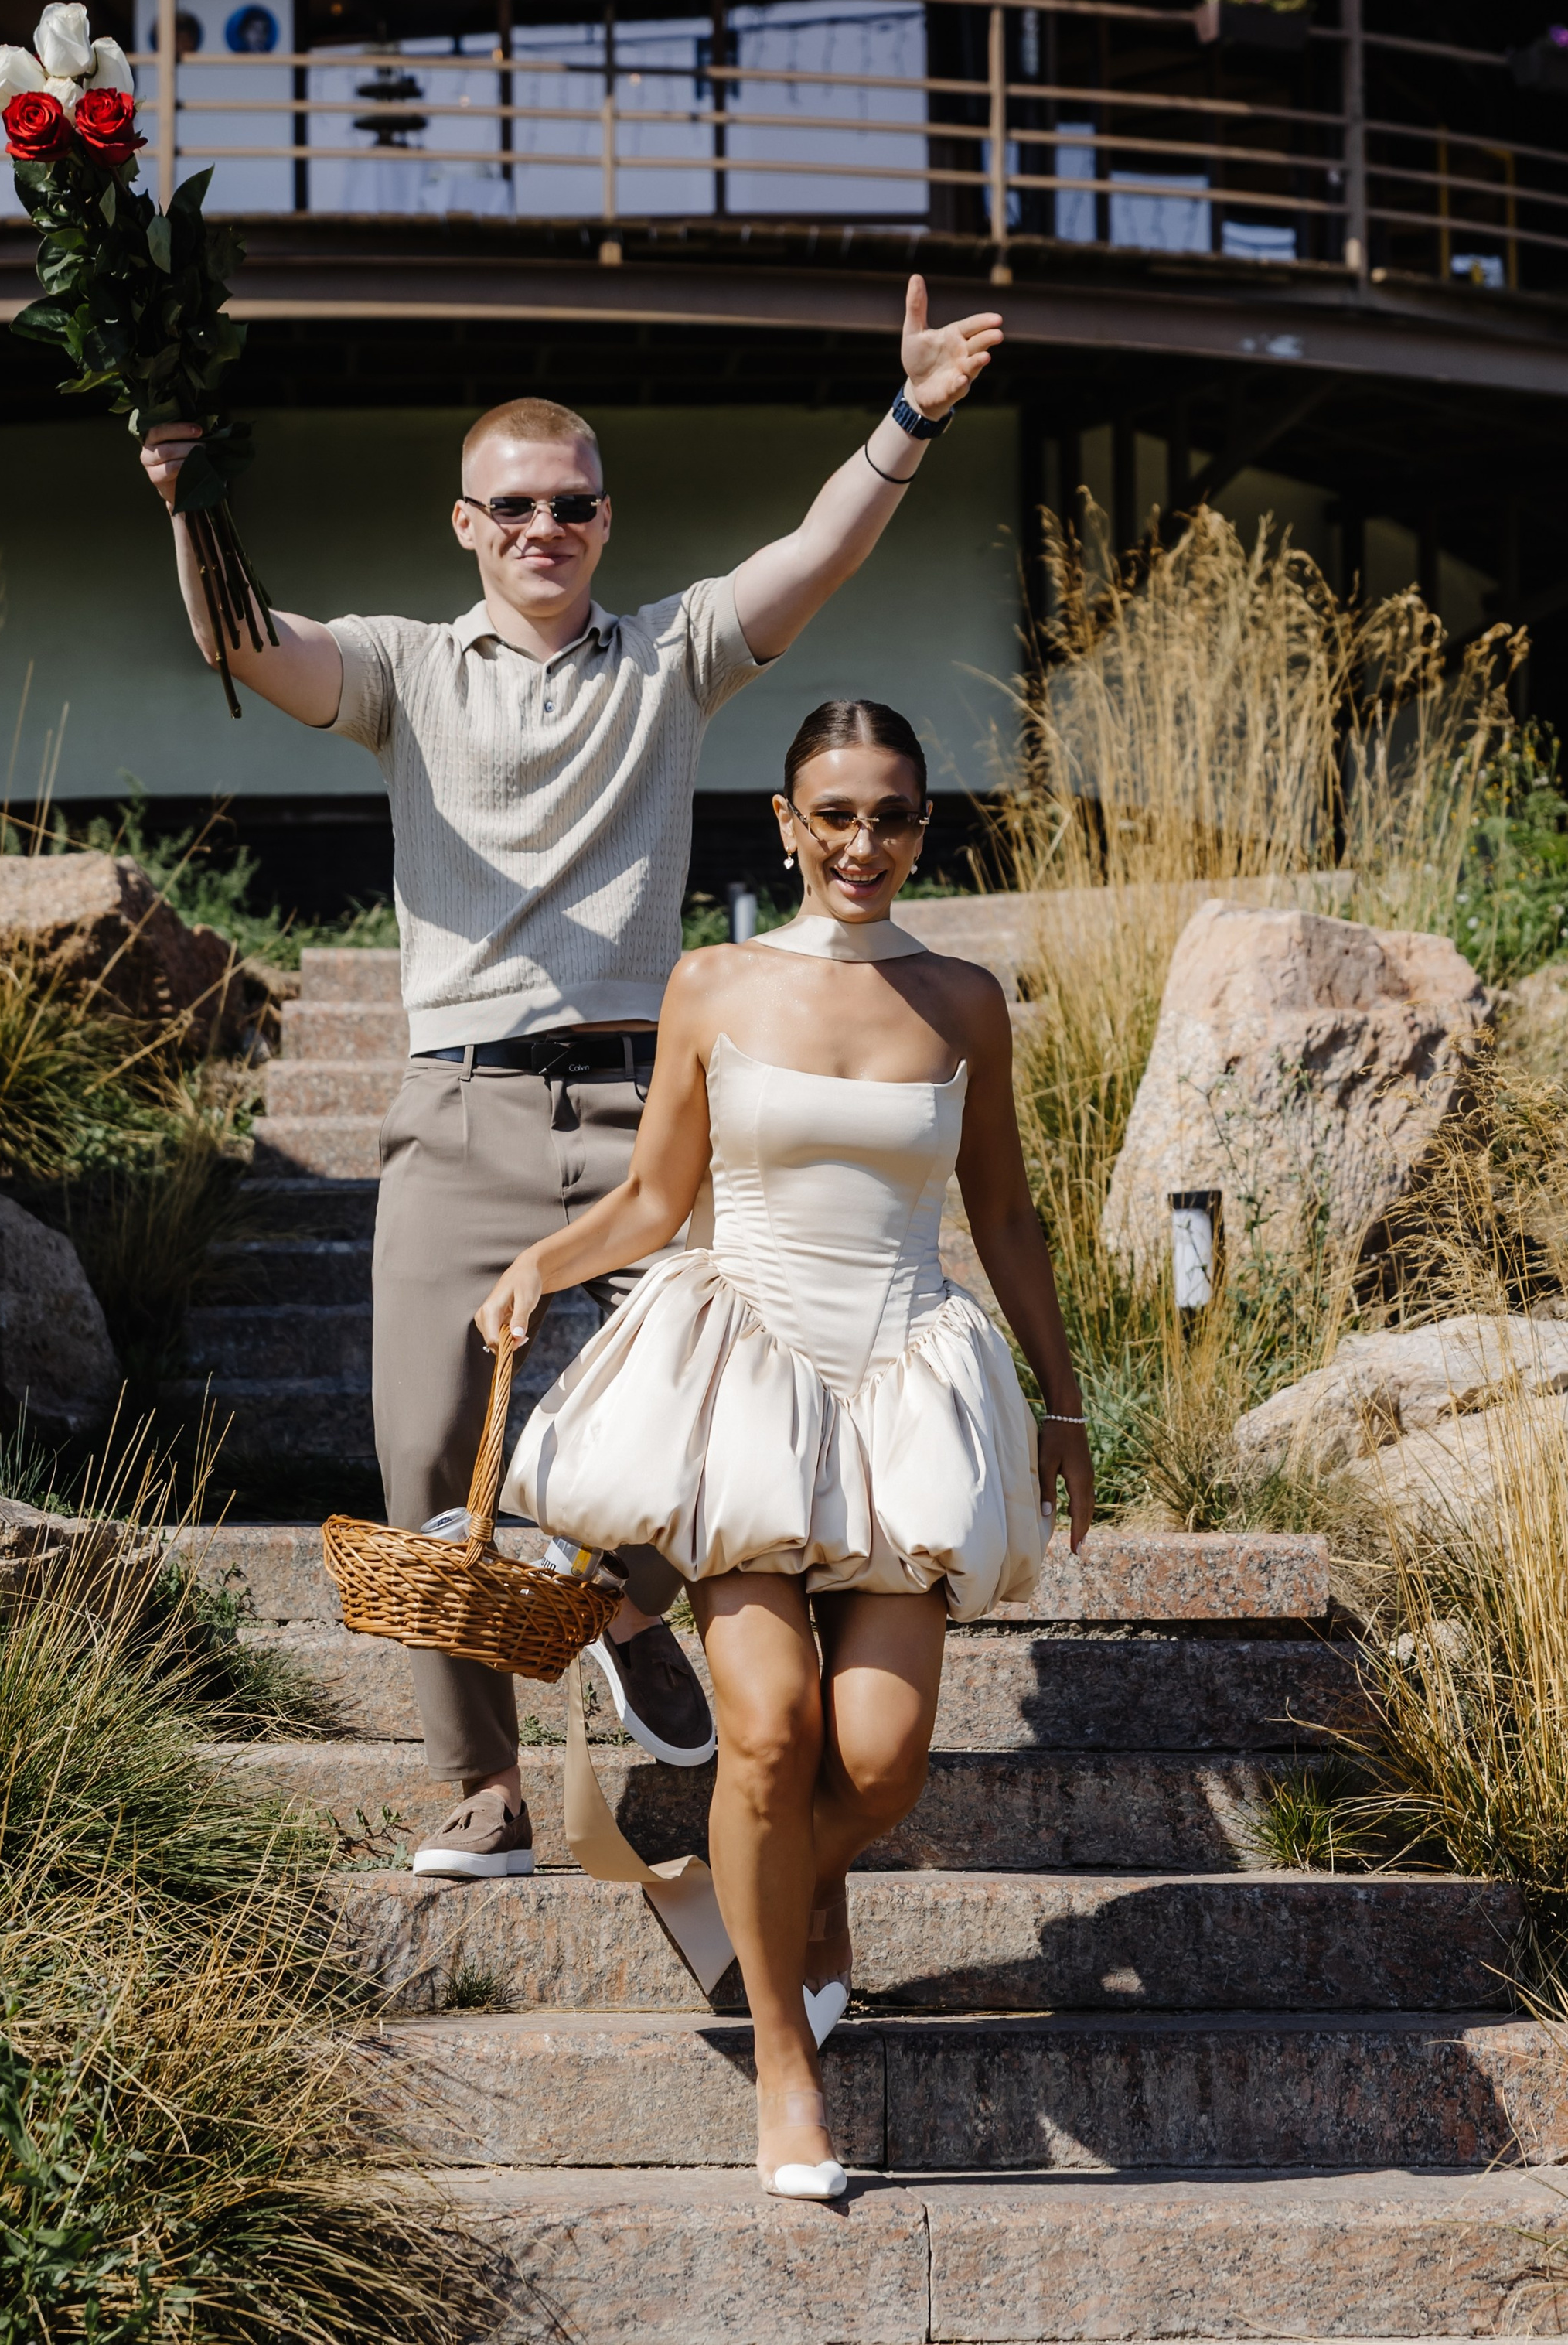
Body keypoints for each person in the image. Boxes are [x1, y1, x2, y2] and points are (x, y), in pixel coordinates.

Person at [138, 285, 1006, 1880]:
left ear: (605, 522)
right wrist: (192, 498)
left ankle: (615, 1608)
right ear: (467, 523)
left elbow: (810, 556)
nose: (546, 526)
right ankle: (482, 1788)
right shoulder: (403, 668)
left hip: (645, 1108)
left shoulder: (669, 655)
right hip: (458, 1107)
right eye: (515, 506)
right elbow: (241, 641)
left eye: (573, 504)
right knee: (416, 1452)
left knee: (715, 1430)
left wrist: (910, 416)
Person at [479, 698, 1094, 2201]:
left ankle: (734, 1887)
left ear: (920, 826)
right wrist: (539, 1267)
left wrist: (1064, 1403)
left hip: (902, 1381)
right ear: (782, 822)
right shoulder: (713, 981)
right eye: (831, 814)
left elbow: (1001, 1218)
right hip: (744, 1372)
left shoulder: (962, 999)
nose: (860, 843)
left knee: (875, 1762)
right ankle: (780, 2058)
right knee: (764, 1729)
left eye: (889, 814)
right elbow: (649, 1200)